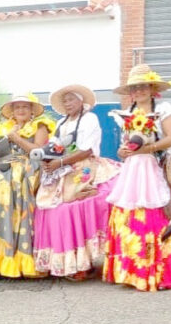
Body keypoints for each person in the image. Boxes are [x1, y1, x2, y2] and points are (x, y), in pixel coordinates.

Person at [103, 64, 171, 291]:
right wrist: (123, 152)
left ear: (152, 88)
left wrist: (147, 149)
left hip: (156, 166)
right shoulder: (127, 113)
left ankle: (161, 268)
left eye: (142, 86)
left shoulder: (164, 108)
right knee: (130, 214)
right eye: (134, 87)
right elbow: (126, 144)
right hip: (133, 171)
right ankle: (133, 270)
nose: (138, 91)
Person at [32, 85, 119, 280]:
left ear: (81, 101)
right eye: (65, 100)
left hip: (84, 167)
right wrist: (48, 161)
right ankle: (63, 262)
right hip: (62, 169)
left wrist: (60, 162)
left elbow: (86, 150)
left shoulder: (90, 119)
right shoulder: (62, 123)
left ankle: (83, 263)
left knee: (77, 205)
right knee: (50, 207)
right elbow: (54, 146)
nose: (67, 103)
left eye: (71, 99)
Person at [0, 93, 55, 278]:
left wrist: (16, 138)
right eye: (17, 107)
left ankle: (27, 263)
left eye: (25, 106)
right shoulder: (6, 128)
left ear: (32, 110)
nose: (21, 110)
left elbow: (38, 151)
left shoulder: (40, 126)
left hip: (27, 172)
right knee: (3, 216)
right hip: (5, 174)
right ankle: (4, 262)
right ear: (12, 112)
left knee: (24, 215)